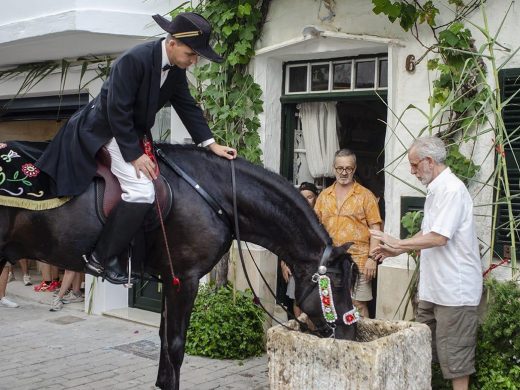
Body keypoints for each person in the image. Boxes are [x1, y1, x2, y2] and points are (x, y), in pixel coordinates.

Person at [36, 12, 237, 284]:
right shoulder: (134, 59)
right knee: (142, 190)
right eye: (191, 54)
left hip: (130, 132)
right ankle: (102, 257)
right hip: (104, 129)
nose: (194, 61)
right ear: (173, 43)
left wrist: (210, 144)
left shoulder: (176, 71)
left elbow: (187, 107)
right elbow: (117, 111)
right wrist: (134, 155)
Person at [370, 136, 483, 390]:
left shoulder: (452, 190)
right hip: (432, 291)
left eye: (414, 165)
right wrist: (396, 251)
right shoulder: (436, 189)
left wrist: (398, 244)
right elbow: (427, 233)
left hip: (455, 293)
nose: (412, 171)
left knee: (457, 364)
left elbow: (440, 237)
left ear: (429, 161)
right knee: (420, 351)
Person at [314, 149, 382, 318]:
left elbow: (376, 230)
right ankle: (334, 340)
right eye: (340, 168)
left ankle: (360, 341)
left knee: (358, 304)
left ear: (354, 168)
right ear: (334, 168)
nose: (344, 172)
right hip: (331, 260)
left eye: (348, 168)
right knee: (330, 303)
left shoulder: (366, 196)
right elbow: (315, 228)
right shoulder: (324, 196)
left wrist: (372, 259)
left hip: (359, 260)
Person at [280, 182, 319, 319]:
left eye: (310, 197)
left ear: (316, 198)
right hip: (296, 264)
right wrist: (283, 263)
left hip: (315, 266)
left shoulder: (320, 216)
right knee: (297, 299)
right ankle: (299, 329)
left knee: (313, 300)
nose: (306, 200)